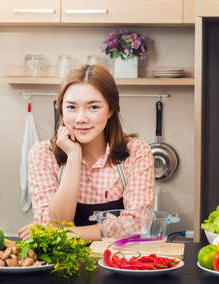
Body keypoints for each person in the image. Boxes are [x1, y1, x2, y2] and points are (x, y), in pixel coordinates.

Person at [18, 64, 155, 241]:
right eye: (71, 107)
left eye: (93, 107)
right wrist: (74, 158)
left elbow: (136, 225)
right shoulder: (42, 154)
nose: (81, 119)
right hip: (60, 264)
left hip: (118, 262)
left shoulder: (137, 153)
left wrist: (61, 233)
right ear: (61, 110)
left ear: (110, 110)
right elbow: (55, 222)